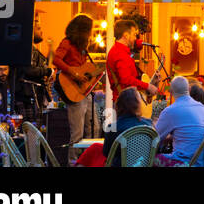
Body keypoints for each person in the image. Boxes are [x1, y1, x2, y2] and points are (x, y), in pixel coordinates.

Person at [52, 15, 96, 164]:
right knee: (77, 132)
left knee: (93, 127)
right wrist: (74, 73)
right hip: (73, 91)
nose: (91, 33)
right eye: (89, 30)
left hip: (85, 92)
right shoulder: (67, 43)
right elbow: (56, 60)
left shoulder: (82, 47)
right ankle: (73, 162)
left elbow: (84, 68)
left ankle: (88, 159)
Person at [155, 75, 204, 165]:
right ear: (189, 89)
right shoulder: (202, 108)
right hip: (200, 163)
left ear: (171, 91)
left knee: (148, 158)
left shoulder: (169, 111)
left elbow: (155, 139)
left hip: (182, 163)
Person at [106, 19, 158, 101]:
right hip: (126, 103)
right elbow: (126, 80)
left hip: (127, 101)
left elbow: (131, 78)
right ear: (126, 35)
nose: (135, 38)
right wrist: (148, 86)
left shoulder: (121, 52)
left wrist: (153, 81)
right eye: (134, 35)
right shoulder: (119, 53)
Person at [103, 88, 152, 167]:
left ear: (118, 105)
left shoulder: (112, 127)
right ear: (138, 105)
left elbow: (106, 153)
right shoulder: (148, 124)